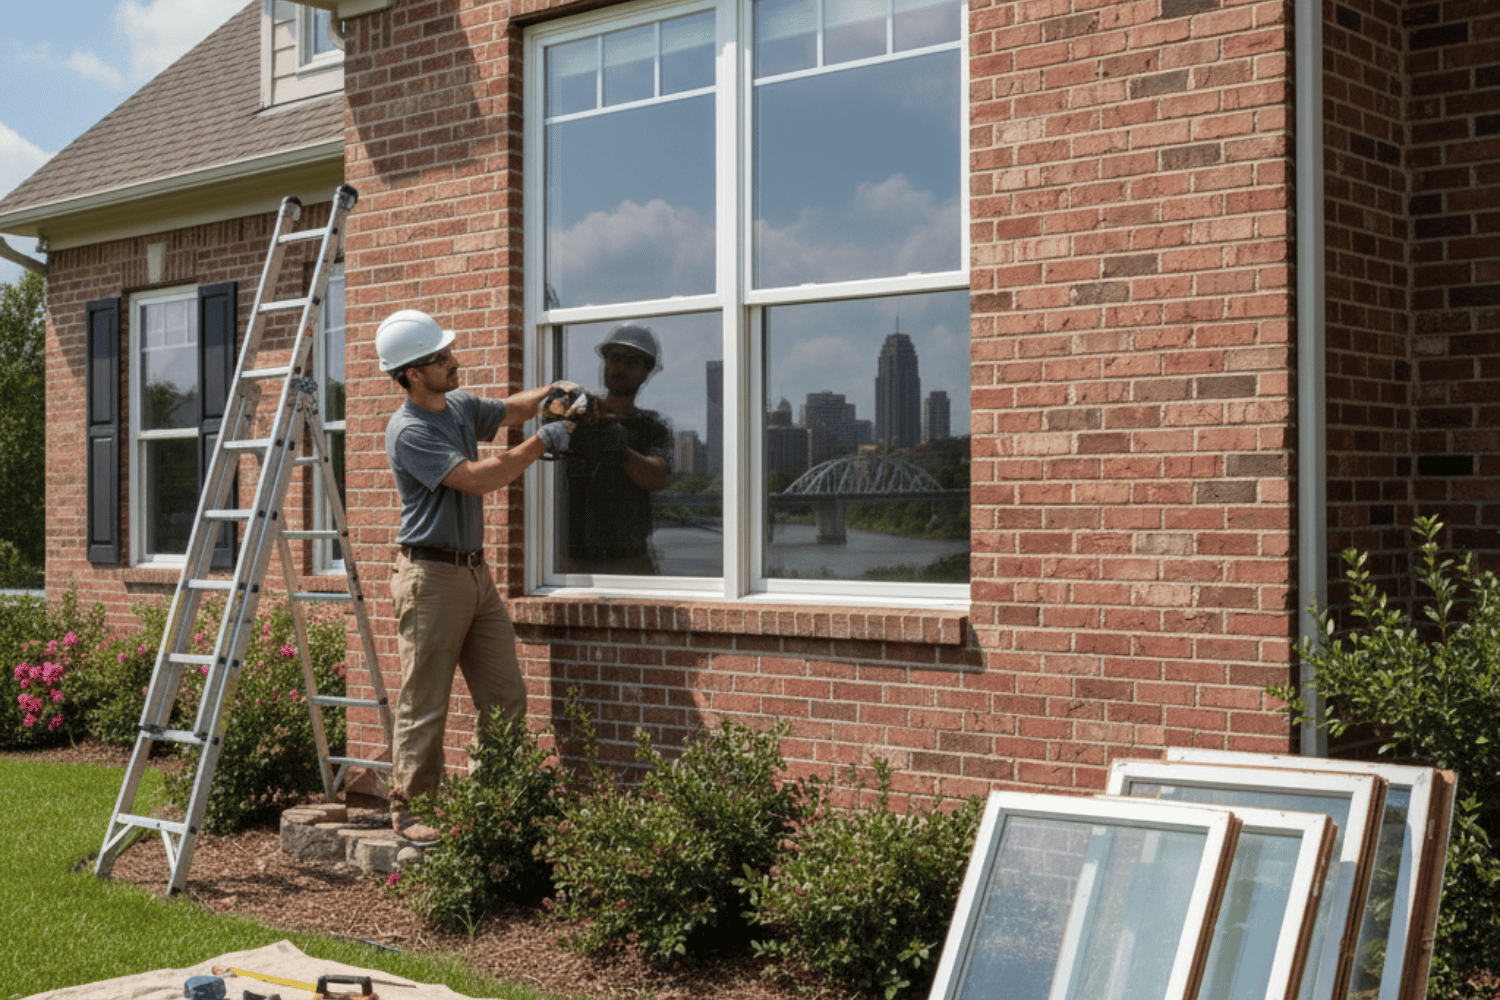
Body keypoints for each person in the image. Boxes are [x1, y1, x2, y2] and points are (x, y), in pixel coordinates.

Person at [377, 309, 575, 844]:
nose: (452, 360)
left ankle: (493, 803)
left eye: (448, 352)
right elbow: (475, 479)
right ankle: (410, 811)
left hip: (474, 574)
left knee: (506, 694)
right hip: (430, 578)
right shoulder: (409, 431)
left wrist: (552, 394)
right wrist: (541, 443)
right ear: (412, 374)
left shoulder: (459, 405)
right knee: (425, 699)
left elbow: (510, 410)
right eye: (440, 358)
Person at [561, 323, 672, 574]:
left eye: (633, 362)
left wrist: (618, 446)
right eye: (615, 358)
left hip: (629, 559)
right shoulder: (578, 416)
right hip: (573, 560)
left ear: (647, 372)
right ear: (605, 363)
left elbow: (655, 476)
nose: (620, 367)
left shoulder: (651, 426)